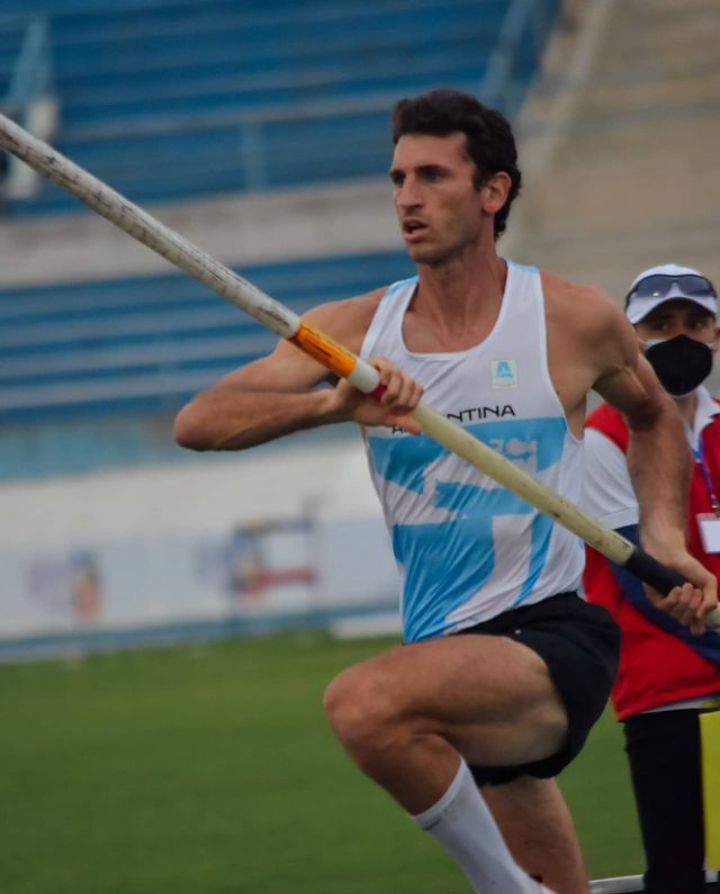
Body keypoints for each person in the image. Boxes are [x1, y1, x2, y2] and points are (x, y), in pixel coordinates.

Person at [173, 90, 717, 894]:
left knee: (364, 705)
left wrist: (663, 540)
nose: (407, 198)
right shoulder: (357, 333)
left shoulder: (570, 320)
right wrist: (334, 405)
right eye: (397, 178)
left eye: (432, 175)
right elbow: (200, 420)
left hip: (552, 636)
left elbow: (652, 418)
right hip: (446, 647)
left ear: (493, 192)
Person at [583, 264, 720, 894]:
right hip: (666, 686)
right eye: (661, 324)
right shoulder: (604, 436)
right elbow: (642, 580)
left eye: (695, 321)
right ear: (633, 337)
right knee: (680, 875)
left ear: (716, 331)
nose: (681, 336)